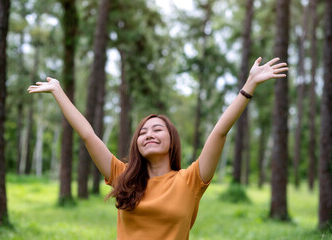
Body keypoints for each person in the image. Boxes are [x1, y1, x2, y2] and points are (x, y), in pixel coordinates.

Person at [27, 57, 288, 239]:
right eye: (142, 132)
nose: (148, 134)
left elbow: (219, 132)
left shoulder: (190, 180)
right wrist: (58, 91)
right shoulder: (122, 176)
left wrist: (248, 86)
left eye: (157, 129)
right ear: (136, 144)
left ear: (172, 141)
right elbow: (87, 135)